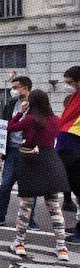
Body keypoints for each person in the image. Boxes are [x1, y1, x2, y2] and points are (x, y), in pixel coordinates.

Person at [6, 90, 70, 260]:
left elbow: (10, 127)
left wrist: (20, 111)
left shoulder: (29, 119)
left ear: (31, 103)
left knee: (26, 206)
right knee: (54, 206)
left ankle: (19, 243)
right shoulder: (55, 119)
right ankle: (61, 247)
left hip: (31, 161)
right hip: (50, 161)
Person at [0, 77, 38, 229]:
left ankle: (29, 219)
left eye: (16, 87)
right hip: (11, 150)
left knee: (30, 187)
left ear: (26, 88)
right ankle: (0, 216)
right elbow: (5, 126)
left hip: (29, 151)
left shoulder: (36, 105)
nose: (13, 90)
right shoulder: (11, 104)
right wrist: (1, 148)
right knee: (5, 185)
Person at [60, 66, 80, 245]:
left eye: (70, 83)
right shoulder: (75, 97)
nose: (68, 86)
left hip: (75, 150)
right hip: (70, 149)